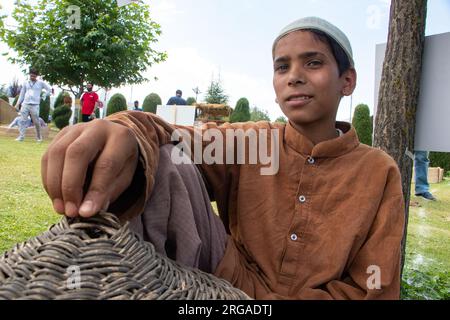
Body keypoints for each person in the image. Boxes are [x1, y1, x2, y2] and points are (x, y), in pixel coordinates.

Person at [41, 17, 405, 299]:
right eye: (282, 67)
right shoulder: (251, 141)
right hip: (224, 285)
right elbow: (169, 135)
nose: (294, 77)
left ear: (347, 80)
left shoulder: (378, 171)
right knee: (165, 160)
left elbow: (373, 285)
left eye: (313, 63)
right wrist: (124, 131)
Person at [14, 69, 52, 142]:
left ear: (36, 76)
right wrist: (17, 103)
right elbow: (22, 94)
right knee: (22, 120)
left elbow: (49, 90)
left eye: (34, 76)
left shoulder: (41, 83)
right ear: (29, 75)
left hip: (35, 105)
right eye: (31, 76)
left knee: (36, 121)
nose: (32, 77)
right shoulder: (26, 83)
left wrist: (43, 96)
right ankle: (21, 137)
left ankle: (39, 137)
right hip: (25, 103)